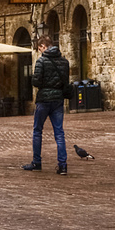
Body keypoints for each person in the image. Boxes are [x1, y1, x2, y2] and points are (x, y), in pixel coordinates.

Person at [24, 38, 70, 175]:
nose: (39, 52)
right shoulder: (64, 62)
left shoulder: (41, 61)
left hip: (44, 99)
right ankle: (63, 166)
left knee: (37, 130)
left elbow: (36, 81)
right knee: (59, 133)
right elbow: (65, 81)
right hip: (58, 100)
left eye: (39, 49)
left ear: (43, 46)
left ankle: (37, 162)